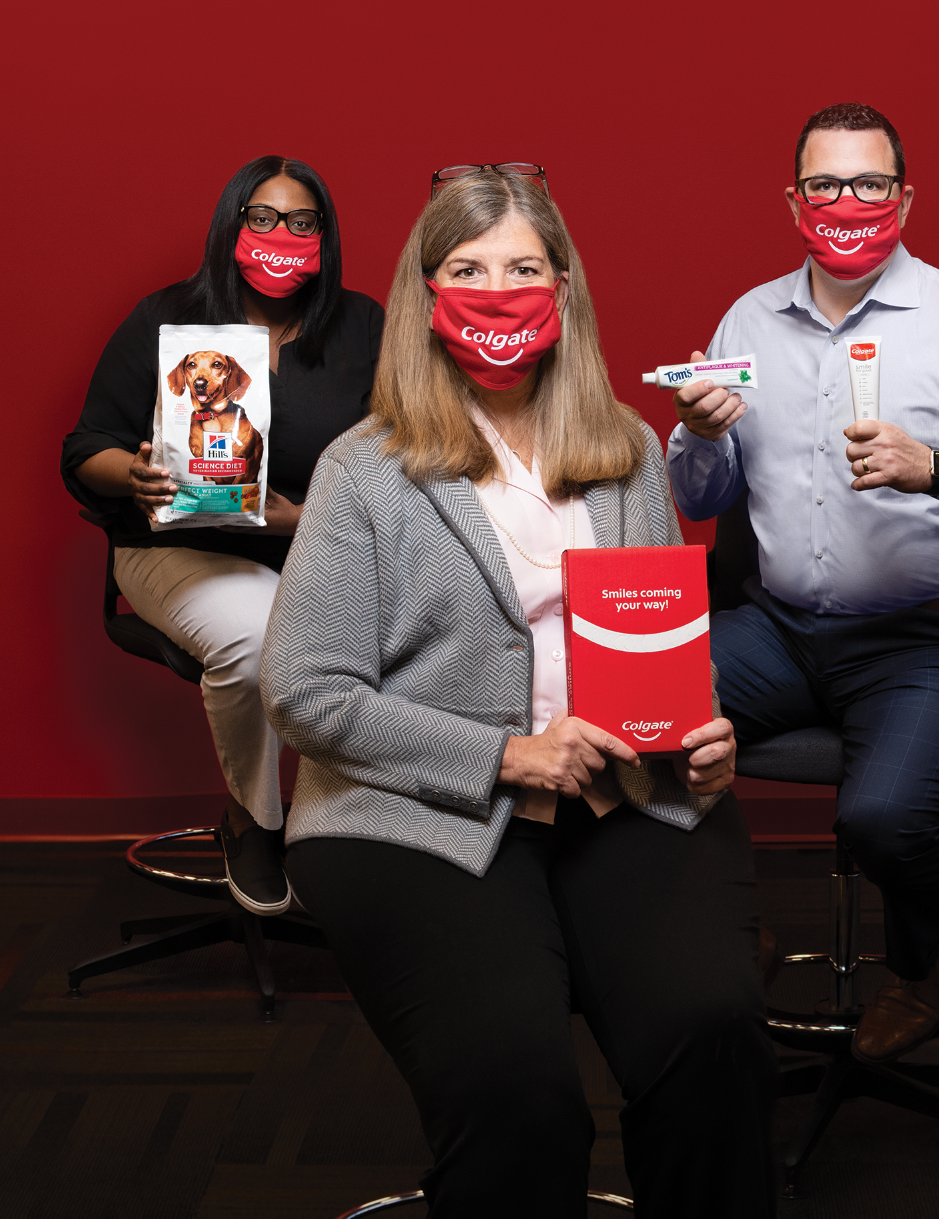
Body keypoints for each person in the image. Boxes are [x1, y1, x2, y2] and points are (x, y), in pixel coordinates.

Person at [259, 165, 776, 1219]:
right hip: (412, 815)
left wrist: (701, 730)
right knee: (515, 1085)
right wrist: (504, 753)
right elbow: (305, 689)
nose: (498, 290)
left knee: (710, 1031)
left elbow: (660, 635)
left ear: (564, 289)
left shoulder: (627, 448)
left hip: (623, 794)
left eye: (523, 267)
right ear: (426, 293)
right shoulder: (364, 469)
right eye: (468, 268)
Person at [667, 103, 939, 1065]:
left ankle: (924, 964)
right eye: (824, 185)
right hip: (782, 628)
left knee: (884, 816)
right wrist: (700, 432)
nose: (846, 203)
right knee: (631, 719)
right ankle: (729, 927)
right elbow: (700, 498)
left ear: (903, 195)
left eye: (868, 183)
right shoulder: (748, 319)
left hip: (937, 635)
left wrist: (937, 468)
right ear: (793, 198)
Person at [61, 156, 382, 916]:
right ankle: (256, 819)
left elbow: (403, 453)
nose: (282, 234)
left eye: (302, 221)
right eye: (262, 217)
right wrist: (132, 473)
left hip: (316, 548)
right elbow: (86, 447)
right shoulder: (167, 320)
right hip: (176, 548)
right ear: (233, 225)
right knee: (261, 635)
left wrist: (304, 521)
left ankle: (362, 831)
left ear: (324, 236)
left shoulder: (364, 326)